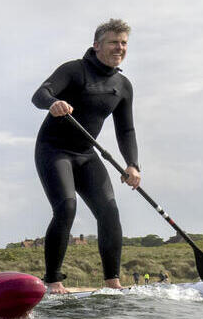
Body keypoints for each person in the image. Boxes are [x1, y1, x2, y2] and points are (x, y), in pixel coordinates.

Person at [32, 19, 141, 294]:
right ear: (97, 45)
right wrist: (52, 102)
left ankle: (112, 283)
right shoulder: (74, 70)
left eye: (124, 43)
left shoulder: (123, 85)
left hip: (85, 154)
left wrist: (132, 164)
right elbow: (39, 94)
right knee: (66, 207)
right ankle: (54, 281)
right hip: (54, 150)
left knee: (109, 211)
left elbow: (126, 129)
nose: (120, 47)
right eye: (114, 42)